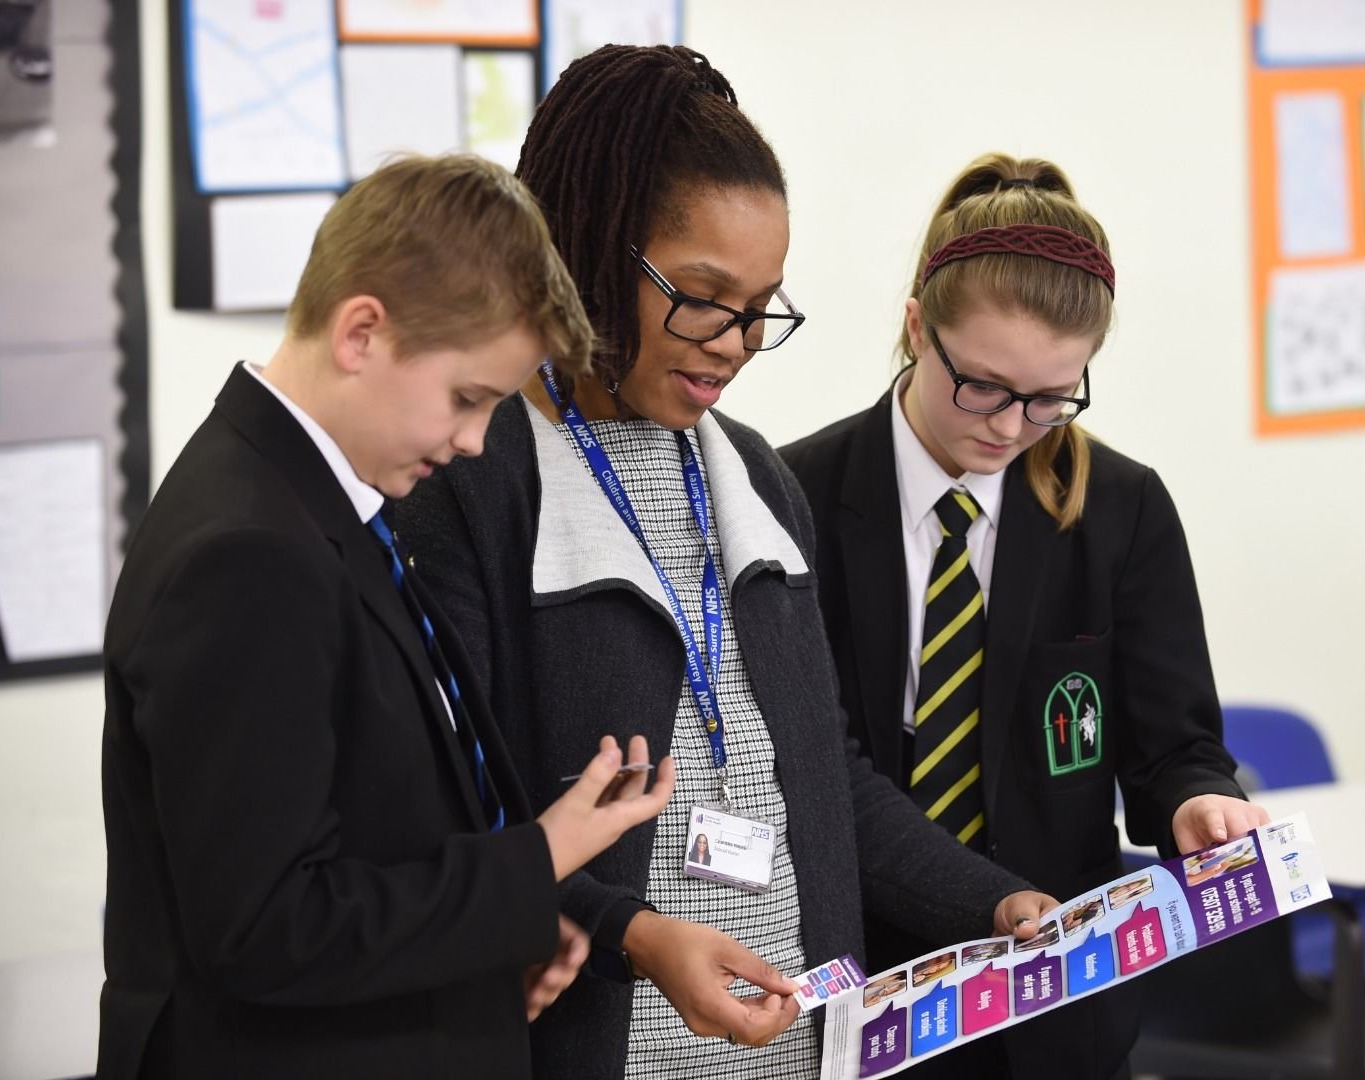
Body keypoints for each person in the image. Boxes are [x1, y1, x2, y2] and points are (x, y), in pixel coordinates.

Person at [395, 47, 1054, 1080]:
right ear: (587, 247)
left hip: (795, 1054)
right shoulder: (473, 475)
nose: (735, 342)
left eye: (761, 307)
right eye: (702, 298)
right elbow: (457, 819)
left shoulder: (754, 477)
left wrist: (989, 898)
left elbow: (824, 782)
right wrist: (632, 936)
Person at [98, 154, 675, 1080]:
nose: (475, 440)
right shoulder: (248, 554)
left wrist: (495, 939)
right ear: (361, 332)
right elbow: (269, 930)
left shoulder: (324, 499)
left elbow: (377, 817)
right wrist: (539, 859)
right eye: (467, 398)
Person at [778, 153, 1270, 1079]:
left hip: (1058, 1004)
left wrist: (1200, 800)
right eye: (984, 386)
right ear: (917, 328)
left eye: (1051, 398)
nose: (1010, 427)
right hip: (866, 992)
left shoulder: (1120, 508)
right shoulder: (795, 495)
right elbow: (815, 769)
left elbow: (1171, 746)